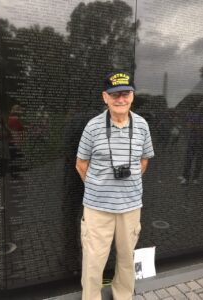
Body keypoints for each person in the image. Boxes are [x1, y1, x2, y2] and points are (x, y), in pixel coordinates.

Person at [76, 71, 154, 300]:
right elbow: (81, 164)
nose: (121, 99)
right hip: (97, 209)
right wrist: (98, 187)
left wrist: (128, 186)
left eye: (126, 93)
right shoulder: (92, 127)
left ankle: (123, 296)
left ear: (133, 96)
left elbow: (144, 160)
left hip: (130, 207)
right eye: (115, 94)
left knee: (126, 259)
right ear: (105, 97)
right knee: (93, 261)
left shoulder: (142, 125)